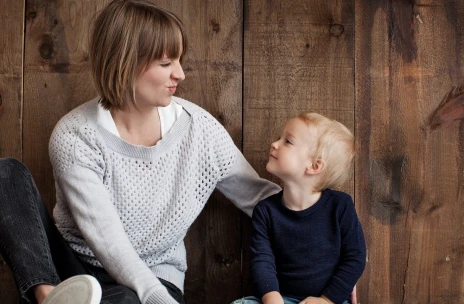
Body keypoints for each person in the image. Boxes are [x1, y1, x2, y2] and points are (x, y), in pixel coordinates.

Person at [0, 0, 281, 303]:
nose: (180, 74)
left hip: (152, 276)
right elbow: (106, 239)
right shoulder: (75, 136)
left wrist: (334, 222)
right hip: (73, 271)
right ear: (125, 62)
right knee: (5, 174)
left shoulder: (199, 129)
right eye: (166, 63)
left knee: (124, 299)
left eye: (179, 61)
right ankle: (48, 297)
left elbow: (260, 199)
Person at [232, 113, 366, 304]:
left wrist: (327, 299)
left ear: (314, 165)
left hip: (327, 300)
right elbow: (262, 261)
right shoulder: (265, 211)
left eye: (287, 141)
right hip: (282, 299)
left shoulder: (340, 206)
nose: (274, 143)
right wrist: (272, 299)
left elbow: (355, 257)